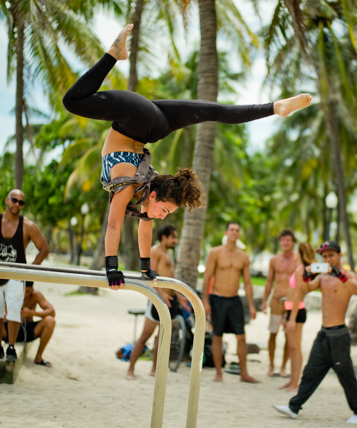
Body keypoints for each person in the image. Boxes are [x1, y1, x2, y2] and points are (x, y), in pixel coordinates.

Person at [62, 23, 312, 290]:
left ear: (154, 197)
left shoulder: (137, 187)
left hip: (152, 123)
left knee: (214, 112)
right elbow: (123, 227)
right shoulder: (137, 186)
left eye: (166, 212)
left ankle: (276, 107)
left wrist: (134, 269)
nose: (163, 217)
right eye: (167, 211)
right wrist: (122, 268)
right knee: (72, 101)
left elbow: (117, 227)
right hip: (137, 119)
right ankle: (113, 54)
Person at [273, 240, 357, 424]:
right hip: (323, 334)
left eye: (331, 255)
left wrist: (339, 274)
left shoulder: (348, 275)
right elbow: (305, 289)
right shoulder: (323, 277)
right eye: (324, 256)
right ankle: (294, 407)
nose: (327, 259)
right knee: (311, 372)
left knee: (346, 375)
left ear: (339, 256)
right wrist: (306, 275)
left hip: (339, 335)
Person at [0, 189, 49, 362]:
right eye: (14, 200)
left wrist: (31, 269)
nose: (17, 205)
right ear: (7, 200)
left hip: (15, 275)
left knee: (13, 311)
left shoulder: (27, 225)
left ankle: (11, 347)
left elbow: (44, 248)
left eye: (21, 202)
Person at [126, 224, 189, 379]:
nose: (176, 240)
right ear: (164, 237)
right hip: (157, 300)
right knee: (145, 336)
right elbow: (149, 276)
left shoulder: (168, 255)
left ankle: (155, 370)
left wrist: (178, 297)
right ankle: (130, 370)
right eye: (173, 237)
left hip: (170, 300)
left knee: (162, 337)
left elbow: (168, 279)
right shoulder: (155, 251)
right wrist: (161, 294)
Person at [202, 222, 259, 383]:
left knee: (241, 336)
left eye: (237, 230)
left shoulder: (243, 256)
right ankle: (218, 372)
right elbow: (207, 277)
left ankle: (244, 373)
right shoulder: (216, 253)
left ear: (239, 234)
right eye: (232, 230)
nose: (234, 232)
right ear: (226, 233)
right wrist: (205, 301)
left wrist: (252, 306)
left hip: (234, 299)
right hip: (217, 298)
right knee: (217, 336)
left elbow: (247, 283)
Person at [0, 282, 56, 366]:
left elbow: (52, 312)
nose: (25, 295)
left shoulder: (36, 294)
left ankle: (39, 357)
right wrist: (9, 315)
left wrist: (31, 313)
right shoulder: (9, 292)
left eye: (28, 292)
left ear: (32, 289)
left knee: (50, 321)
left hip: (27, 330)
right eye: (23, 292)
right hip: (9, 330)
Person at [261, 229, 298, 377]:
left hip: (290, 301)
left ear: (293, 242)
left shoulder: (298, 260)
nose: (285, 242)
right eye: (283, 240)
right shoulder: (274, 260)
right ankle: (271, 365)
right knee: (273, 333)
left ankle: (283, 367)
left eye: (288, 240)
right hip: (276, 300)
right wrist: (264, 301)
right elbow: (269, 281)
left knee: (289, 335)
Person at [280, 242, 317, 392]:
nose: (294, 254)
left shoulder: (301, 271)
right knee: (291, 348)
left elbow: (298, 295)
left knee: (296, 349)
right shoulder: (300, 270)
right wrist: (286, 315)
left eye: (296, 251)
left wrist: (292, 318)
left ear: (301, 254)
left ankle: (296, 383)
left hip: (297, 312)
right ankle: (291, 381)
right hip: (291, 311)